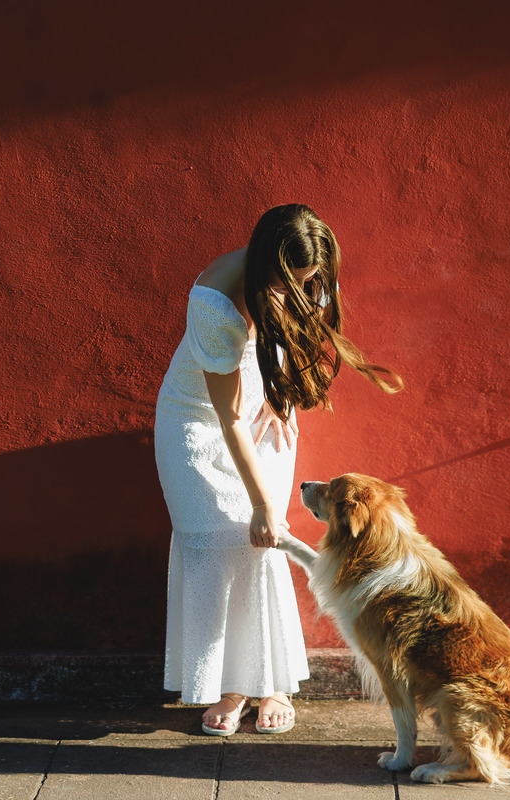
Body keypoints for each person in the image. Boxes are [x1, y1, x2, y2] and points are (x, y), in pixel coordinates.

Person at [154, 204, 401, 735]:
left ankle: (272, 684)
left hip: (261, 413)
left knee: (259, 544)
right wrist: (265, 502)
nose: (302, 290)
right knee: (213, 543)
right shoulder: (215, 304)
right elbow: (227, 417)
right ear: (268, 263)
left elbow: (305, 330)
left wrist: (279, 390)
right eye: (293, 281)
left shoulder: (305, 267)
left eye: (310, 280)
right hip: (195, 423)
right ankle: (230, 687)